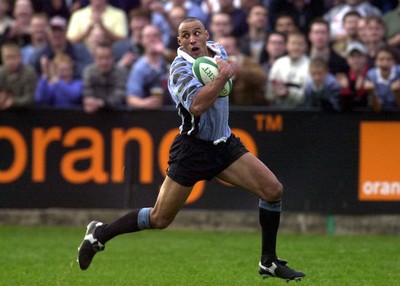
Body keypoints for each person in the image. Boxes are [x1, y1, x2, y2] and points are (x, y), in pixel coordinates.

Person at [76, 16, 305, 283]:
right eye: (185, 35)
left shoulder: (218, 50)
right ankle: (99, 234)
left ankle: (268, 262)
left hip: (224, 144)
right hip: (193, 150)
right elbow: (197, 105)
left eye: (197, 33)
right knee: (160, 218)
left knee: (273, 189)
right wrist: (222, 76)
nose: (192, 39)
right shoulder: (179, 70)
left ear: (206, 34)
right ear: (179, 41)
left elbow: (230, 75)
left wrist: (229, 71)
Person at [28, 15, 93, 79]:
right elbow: (30, 74)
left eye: (60, 30)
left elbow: (89, 71)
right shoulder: (40, 54)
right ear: (48, 32)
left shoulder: (80, 51)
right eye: (54, 31)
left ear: (66, 32)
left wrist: (69, 70)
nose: (57, 34)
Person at [125, 24, 170, 109]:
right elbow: (131, 98)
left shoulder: (167, 61)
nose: (152, 39)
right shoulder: (139, 67)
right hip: (149, 116)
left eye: (155, 35)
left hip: (173, 113)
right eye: (147, 36)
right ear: (142, 41)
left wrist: (164, 52)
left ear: (161, 38)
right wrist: (144, 103)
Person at [216, 35, 268, 106]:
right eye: (220, 48)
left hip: (246, 108)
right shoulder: (212, 63)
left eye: (227, 47)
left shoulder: (247, 62)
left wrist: (240, 70)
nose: (223, 51)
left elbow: (262, 78)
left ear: (236, 49)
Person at [266, 31, 310, 107]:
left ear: (306, 47)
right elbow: (268, 92)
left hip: (302, 111)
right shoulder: (279, 63)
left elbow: (309, 95)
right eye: (293, 43)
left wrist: (288, 93)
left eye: (300, 44)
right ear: (287, 46)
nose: (296, 47)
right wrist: (275, 92)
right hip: (278, 110)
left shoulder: (310, 66)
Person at [82, 43, 127, 113]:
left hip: (117, 114)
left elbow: (119, 96)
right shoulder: (89, 71)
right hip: (93, 113)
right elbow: (87, 92)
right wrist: (90, 101)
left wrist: (100, 103)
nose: (104, 62)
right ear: (94, 59)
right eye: (100, 58)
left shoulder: (121, 72)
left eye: (107, 58)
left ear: (113, 58)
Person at [0, 41, 37, 110]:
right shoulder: (1, 72)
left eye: (13, 57)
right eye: (7, 58)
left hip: (26, 113)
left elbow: (30, 98)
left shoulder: (29, 73)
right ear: (3, 59)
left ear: (20, 57)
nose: (11, 61)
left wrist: (12, 102)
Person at [335, 41, 370, 111]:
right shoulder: (343, 77)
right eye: (352, 56)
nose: (356, 60)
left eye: (359, 56)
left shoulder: (372, 75)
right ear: (347, 60)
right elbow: (344, 107)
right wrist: (345, 89)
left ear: (365, 58)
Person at [364, 47, 400, 112]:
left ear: (394, 62)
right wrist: (372, 93)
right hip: (380, 117)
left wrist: (397, 93)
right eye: (381, 59)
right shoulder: (371, 76)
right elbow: (377, 109)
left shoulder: (399, 73)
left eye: (389, 59)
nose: (385, 63)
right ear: (375, 62)